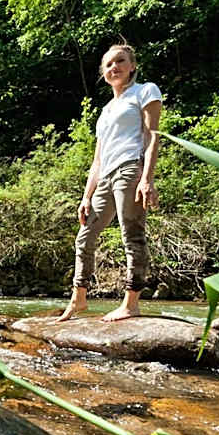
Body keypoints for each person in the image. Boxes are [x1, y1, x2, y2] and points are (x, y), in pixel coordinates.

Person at [56, 43, 162, 323]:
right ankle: (79, 299)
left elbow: (152, 136)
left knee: (132, 234)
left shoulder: (145, 91)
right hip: (105, 176)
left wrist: (147, 178)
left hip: (130, 168)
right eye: (109, 64)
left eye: (120, 61)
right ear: (104, 72)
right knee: (84, 237)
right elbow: (98, 159)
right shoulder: (105, 111)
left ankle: (131, 303)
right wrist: (86, 196)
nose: (114, 67)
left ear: (132, 66)